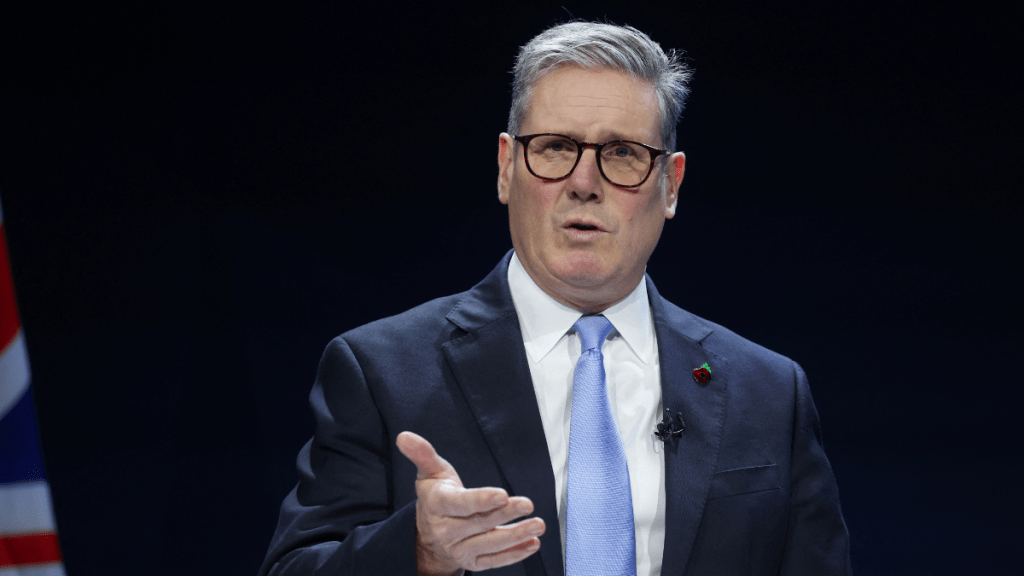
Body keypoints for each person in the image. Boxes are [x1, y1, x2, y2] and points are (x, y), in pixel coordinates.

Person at [260, 21, 850, 576]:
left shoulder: (771, 394)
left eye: (622, 153)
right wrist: (419, 551)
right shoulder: (381, 372)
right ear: (505, 167)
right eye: (555, 148)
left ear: (670, 185)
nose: (584, 183)